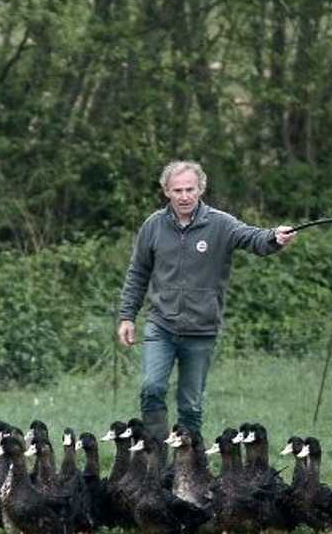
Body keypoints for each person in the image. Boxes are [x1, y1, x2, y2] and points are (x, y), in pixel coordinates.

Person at [116, 160, 295, 440]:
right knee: (151, 388)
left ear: (201, 188)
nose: (184, 196)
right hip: (160, 325)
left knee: (190, 404)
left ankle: (189, 468)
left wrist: (274, 237)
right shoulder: (153, 226)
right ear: (166, 192)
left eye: (190, 189)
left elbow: (252, 237)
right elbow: (138, 272)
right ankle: (155, 462)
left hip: (201, 329)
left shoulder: (221, 224)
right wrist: (127, 316)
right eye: (177, 190)